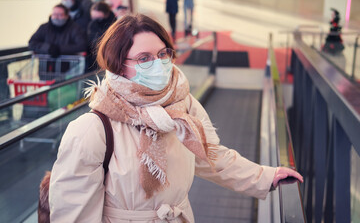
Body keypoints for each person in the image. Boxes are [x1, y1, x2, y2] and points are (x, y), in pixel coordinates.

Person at [49, 14, 303, 222]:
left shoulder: (184, 105)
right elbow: (73, 214)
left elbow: (211, 157)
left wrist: (265, 176)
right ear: (118, 65)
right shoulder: (92, 129)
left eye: (163, 54)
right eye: (144, 58)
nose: (158, 64)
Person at [28, 4, 87, 77]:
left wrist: (59, 49)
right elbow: (32, 43)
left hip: (68, 71)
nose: (56, 17)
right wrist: (48, 48)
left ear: (66, 16)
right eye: (54, 14)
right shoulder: (44, 28)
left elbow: (82, 45)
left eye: (60, 15)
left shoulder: (75, 29)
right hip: (46, 70)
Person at [87, 1, 116, 72]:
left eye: (98, 17)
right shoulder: (92, 24)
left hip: (110, 57)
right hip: (95, 57)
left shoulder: (114, 24)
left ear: (106, 14)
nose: (95, 20)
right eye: (93, 17)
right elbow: (91, 40)